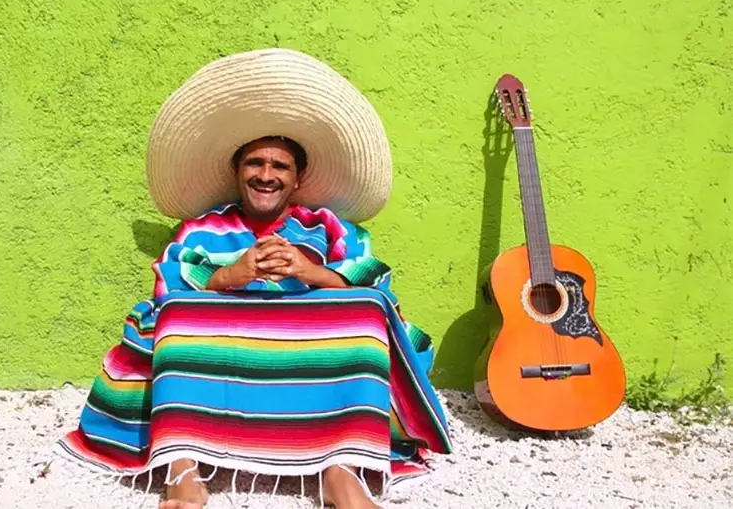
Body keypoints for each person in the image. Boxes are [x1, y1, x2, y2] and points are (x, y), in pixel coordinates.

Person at [58, 48, 453, 509]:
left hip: (309, 360)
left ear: (298, 178)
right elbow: (166, 294)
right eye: (255, 164)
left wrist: (311, 272)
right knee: (176, 314)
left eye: (279, 166)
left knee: (367, 311)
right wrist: (229, 275)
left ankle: (340, 467)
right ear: (237, 170)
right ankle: (183, 464)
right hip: (226, 359)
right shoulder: (200, 230)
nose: (266, 176)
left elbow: (379, 292)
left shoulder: (329, 228)